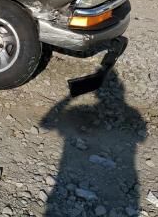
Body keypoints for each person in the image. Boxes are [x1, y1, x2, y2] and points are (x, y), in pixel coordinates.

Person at [40, 69, 146, 216]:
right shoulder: (132, 113)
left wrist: (68, 98)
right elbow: (142, 138)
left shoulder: (128, 113)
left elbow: (45, 123)